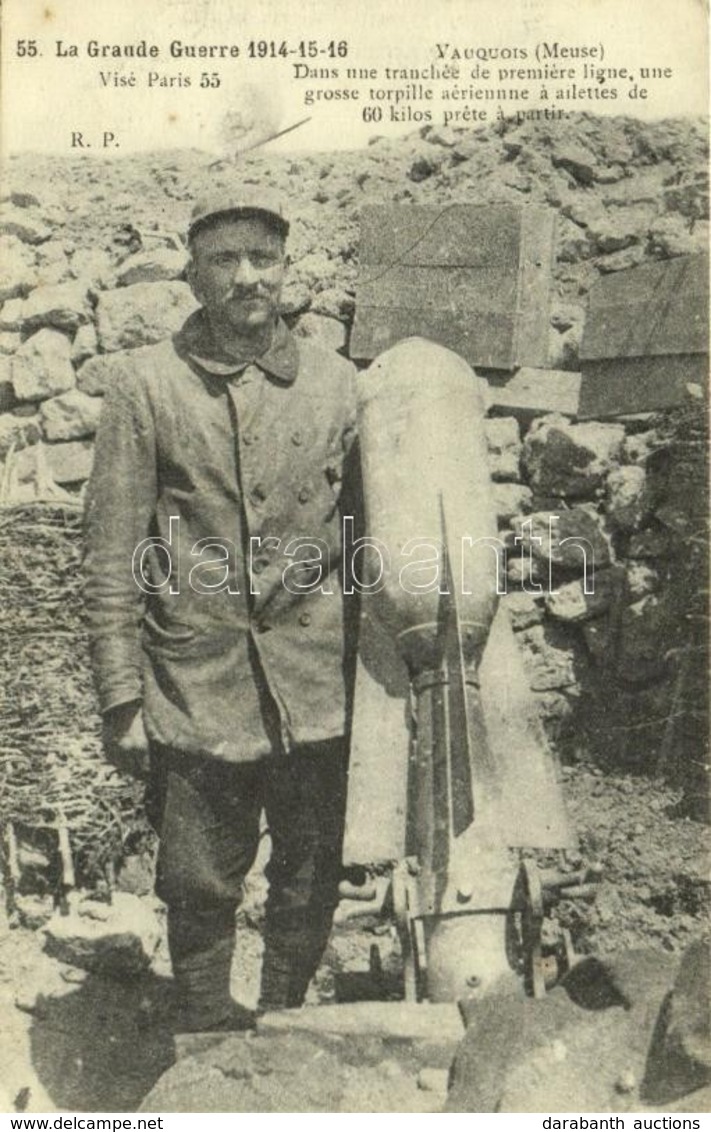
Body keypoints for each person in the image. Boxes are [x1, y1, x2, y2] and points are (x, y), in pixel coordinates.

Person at [83, 189, 359, 1031]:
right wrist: (122, 697)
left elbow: (367, 541)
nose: (247, 276)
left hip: (315, 683)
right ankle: (201, 1025)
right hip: (195, 681)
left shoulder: (337, 384)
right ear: (195, 275)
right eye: (224, 260)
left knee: (310, 870)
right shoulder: (146, 385)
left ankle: (283, 1022)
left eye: (263, 258)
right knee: (198, 875)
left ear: (285, 268)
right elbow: (110, 552)